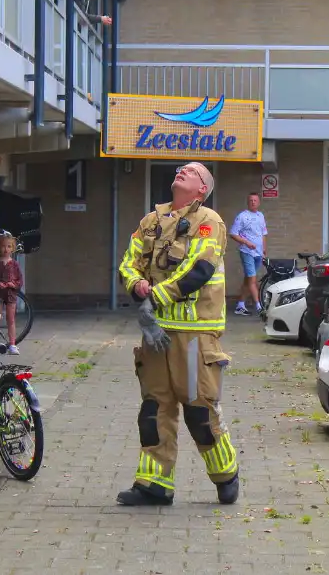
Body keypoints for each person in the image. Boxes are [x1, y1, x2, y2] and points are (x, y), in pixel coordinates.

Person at [116, 162, 240, 506]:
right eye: (181, 168)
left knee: (199, 411)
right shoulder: (151, 221)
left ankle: (225, 474)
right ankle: (154, 485)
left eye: (192, 171)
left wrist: (152, 298)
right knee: (154, 409)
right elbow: (129, 260)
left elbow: (198, 269)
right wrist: (136, 284)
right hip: (156, 333)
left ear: (202, 189)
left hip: (195, 335)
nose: (181, 170)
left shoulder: (209, 222)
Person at [230, 192, 268, 316]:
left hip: (258, 253)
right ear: (248, 202)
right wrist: (246, 242)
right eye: (251, 200)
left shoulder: (260, 216)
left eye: (255, 200)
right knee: (252, 280)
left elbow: (263, 234)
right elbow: (233, 234)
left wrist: (264, 250)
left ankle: (240, 305)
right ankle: (259, 306)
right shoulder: (242, 216)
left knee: (248, 280)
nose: (253, 202)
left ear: (259, 202)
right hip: (247, 252)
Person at [0, 232, 23, 355]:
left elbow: (20, 280)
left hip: (10, 294)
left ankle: (12, 344)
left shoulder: (14, 264)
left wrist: (14, 285)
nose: (5, 249)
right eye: (3, 246)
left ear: (12, 249)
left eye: (9, 246)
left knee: (11, 319)